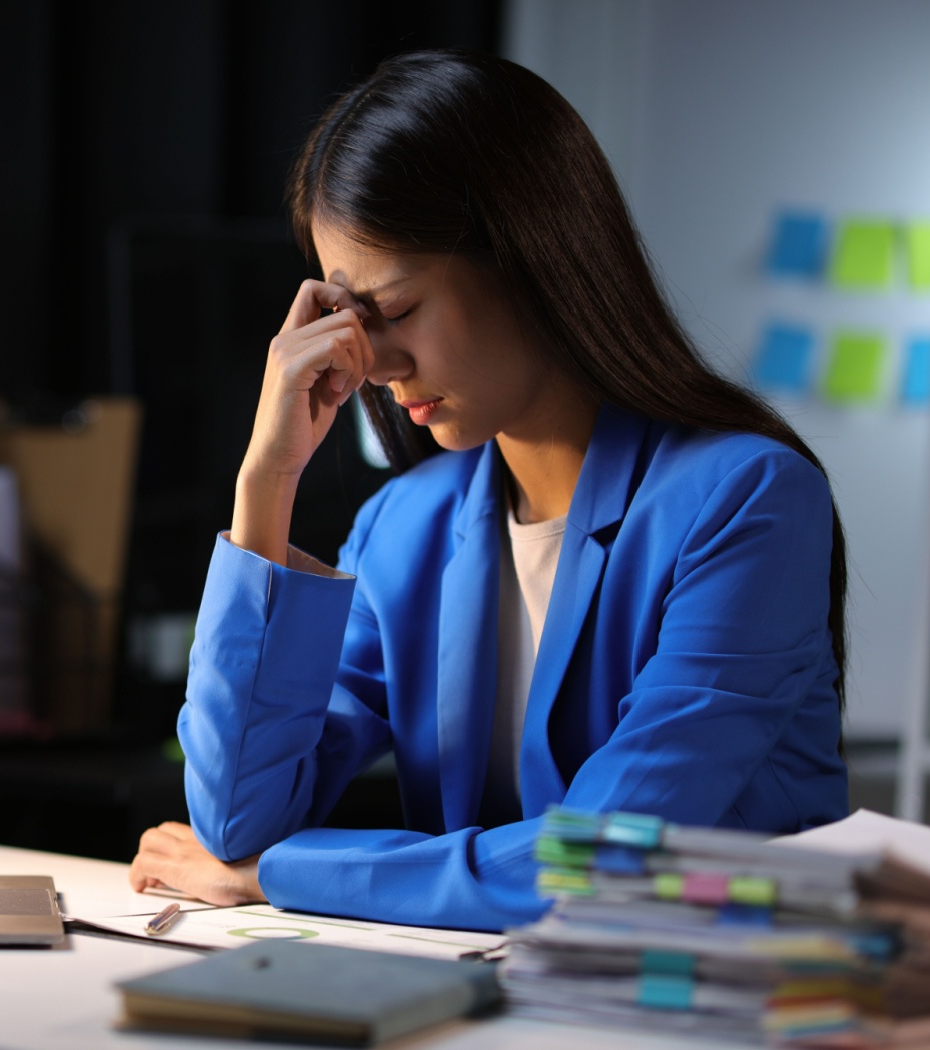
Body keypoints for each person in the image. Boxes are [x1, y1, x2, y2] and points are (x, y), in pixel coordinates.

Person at [127, 50, 849, 932]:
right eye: (346, 318)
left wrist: (281, 873)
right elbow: (236, 821)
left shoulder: (747, 501)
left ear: (530, 258)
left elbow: (604, 864)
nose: (374, 363)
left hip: (720, 1004)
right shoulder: (406, 526)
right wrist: (265, 483)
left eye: (394, 310)